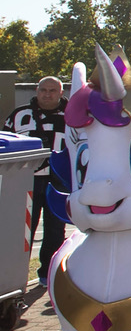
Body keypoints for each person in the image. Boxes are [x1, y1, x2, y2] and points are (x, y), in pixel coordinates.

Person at [5, 76, 68, 286]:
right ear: (36, 90)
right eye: (43, 90)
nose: (47, 94)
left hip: (58, 182)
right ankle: (15, 275)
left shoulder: (73, 116)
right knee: (22, 230)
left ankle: (47, 274)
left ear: (61, 92)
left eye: (52, 90)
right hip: (25, 182)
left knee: (55, 229)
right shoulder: (19, 115)